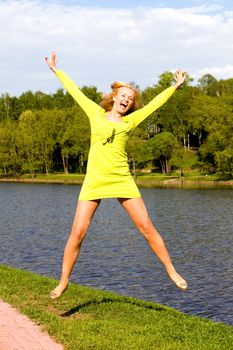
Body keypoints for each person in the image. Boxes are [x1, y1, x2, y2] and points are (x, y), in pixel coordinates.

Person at [45, 52, 188, 299]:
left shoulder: (129, 122)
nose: (127, 101)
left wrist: (174, 87)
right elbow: (75, 91)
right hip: (95, 180)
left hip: (122, 178)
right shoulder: (94, 113)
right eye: (123, 96)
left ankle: (172, 271)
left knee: (146, 227)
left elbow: (154, 105)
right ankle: (63, 281)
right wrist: (56, 70)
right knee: (77, 232)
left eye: (131, 99)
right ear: (114, 98)